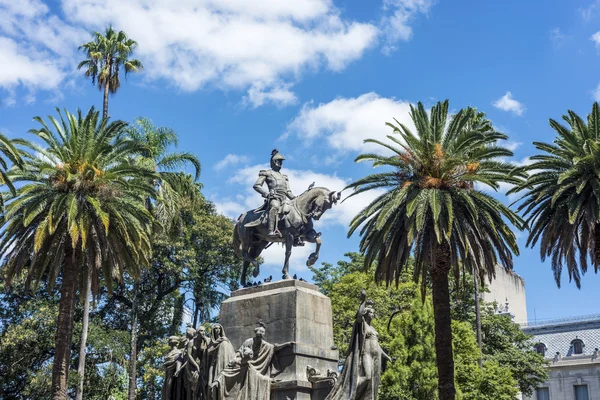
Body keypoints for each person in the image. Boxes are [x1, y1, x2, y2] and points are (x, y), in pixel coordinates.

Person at [325, 291, 391, 400]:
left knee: (374, 382)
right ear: (366, 313)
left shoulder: (373, 329)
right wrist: (363, 301)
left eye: (373, 312)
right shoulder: (362, 324)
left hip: (376, 356)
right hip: (366, 354)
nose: (373, 314)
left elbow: (378, 346)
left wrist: (387, 357)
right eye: (371, 312)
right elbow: (359, 316)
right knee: (368, 377)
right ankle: (352, 396)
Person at [251, 149, 295, 237]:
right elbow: (257, 186)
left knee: (296, 212)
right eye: (279, 161)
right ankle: (270, 231)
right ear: (274, 161)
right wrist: (267, 194)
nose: (281, 163)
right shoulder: (267, 173)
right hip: (274, 198)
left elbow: (288, 192)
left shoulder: (284, 177)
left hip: (285, 200)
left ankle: (296, 235)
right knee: (274, 207)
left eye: (281, 162)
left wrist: (295, 198)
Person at [162, 336, 183, 400]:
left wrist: (167, 364)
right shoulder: (168, 352)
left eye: (170, 342)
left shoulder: (179, 352)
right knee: (166, 390)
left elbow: (178, 362)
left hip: (174, 375)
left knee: (170, 390)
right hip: (168, 374)